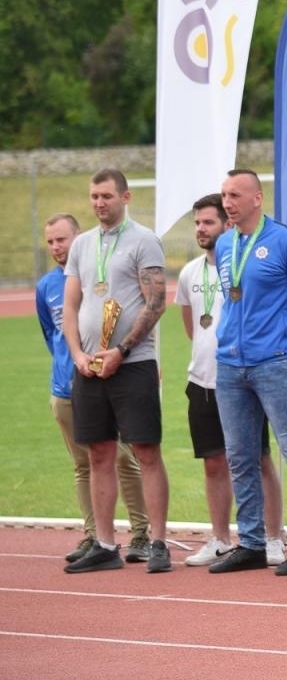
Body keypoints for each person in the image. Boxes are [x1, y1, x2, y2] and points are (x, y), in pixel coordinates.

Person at [207, 170, 287, 576]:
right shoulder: (224, 243)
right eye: (224, 195)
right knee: (240, 456)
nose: (228, 202)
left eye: (235, 195)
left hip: (275, 361)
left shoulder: (284, 241)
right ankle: (253, 542)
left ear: (258, 198)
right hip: (230, 365)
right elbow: (232, 299)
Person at [60, 169, 171, 574]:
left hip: (133, 364)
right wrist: (76, 353)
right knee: (99, 454)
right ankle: (105, 543)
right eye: (93, 196)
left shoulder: (144, 240)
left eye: (106, 196)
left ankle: (158, 541)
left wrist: (121, 351)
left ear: (126, 197)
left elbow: (156, 302)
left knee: (145, 452)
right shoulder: (82, 245)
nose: (99, 203)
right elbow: (71, 305)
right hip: (88, 366)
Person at [175, 194, 285, 567]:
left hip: (243, 377)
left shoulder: (240, 264)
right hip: (202, 379)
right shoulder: (189, 272)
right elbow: (192, 327)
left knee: (259, 458)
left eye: (208, 222)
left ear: (227, 224)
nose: (201, 229)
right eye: (197, 223)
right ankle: (220, 537)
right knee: (213, 462)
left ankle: (273, 538)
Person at [40, 212, 150, 565]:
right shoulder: (46, 287)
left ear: (80, 239)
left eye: (62, 239)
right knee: (82, 465)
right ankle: (94, 536)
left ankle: (141, 533)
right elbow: (52, 335)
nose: (57, 247)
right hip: (65, 387)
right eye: (51, 242)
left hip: (108, 381)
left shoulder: (95, 273)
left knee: (122, 458)